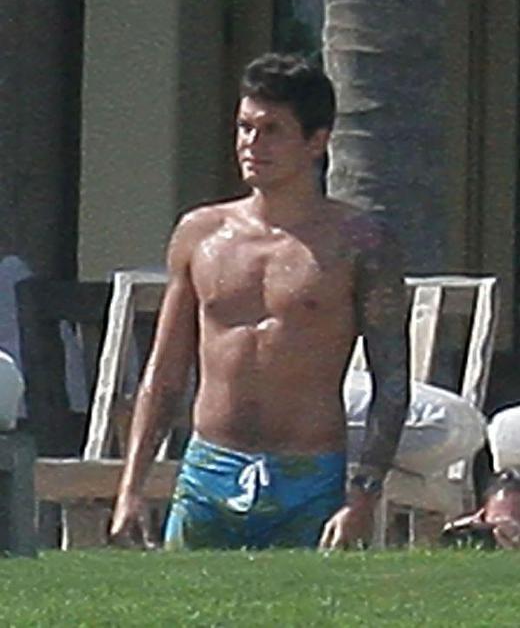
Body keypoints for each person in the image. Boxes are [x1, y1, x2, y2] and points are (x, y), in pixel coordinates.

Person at [110, 53, 409, 550]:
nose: (253, 143)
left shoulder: (360, 243)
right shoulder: (201, 233)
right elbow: (164, 373)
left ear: (316, 142)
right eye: (246, 127)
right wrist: (131, 488)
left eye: (272, 130)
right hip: (209, 468)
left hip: (309, 474)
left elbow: (392, 381)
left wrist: (363, 495)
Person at [441, 468, 520, 549]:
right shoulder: (463, 537)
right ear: (483, 515)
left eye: (517, 517)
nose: (506, 527)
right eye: (498, 518)